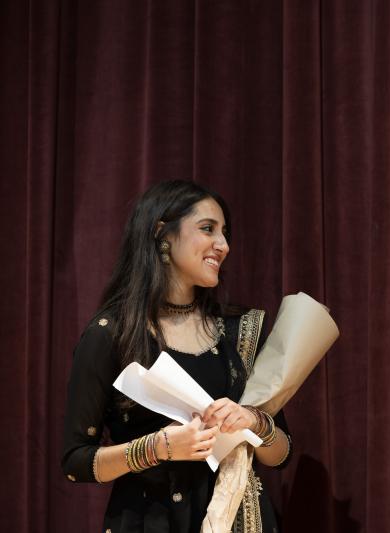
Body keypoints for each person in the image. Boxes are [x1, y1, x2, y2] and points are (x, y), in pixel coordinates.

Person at [61, 180, 292, 533]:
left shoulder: (238, 332)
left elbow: (281, 454)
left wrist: (253, 421)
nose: (224, 245)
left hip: (238, 519)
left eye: (225, 233)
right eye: (207, 229)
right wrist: (154, 448)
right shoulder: (111, 334)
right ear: (162, 235)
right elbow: (75, 462)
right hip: (148, 520)